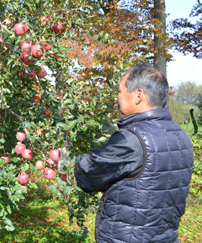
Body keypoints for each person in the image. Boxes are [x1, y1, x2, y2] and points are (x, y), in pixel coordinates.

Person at [75, 64, 194, 243]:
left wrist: (77, 160)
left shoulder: (132, 139)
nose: (118, 98)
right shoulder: (181, 136)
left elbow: (89, 174)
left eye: (120, 91)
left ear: (138, 95)